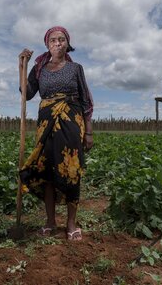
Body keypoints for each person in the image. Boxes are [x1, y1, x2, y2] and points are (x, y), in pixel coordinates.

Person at [18, 26, 94, 241]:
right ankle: (50, 221)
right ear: (47, 44)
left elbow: (86, 101)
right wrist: (21, 66)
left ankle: (71, 223)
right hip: (46, 124)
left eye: (62, 39)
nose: (58, 42)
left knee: (71, 171)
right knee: (47, 172)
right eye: (53, 40)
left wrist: (88, 132)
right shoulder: (39, 68)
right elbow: (27, 93)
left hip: (71, 121)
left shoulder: (75, 68)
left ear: (67, 43)